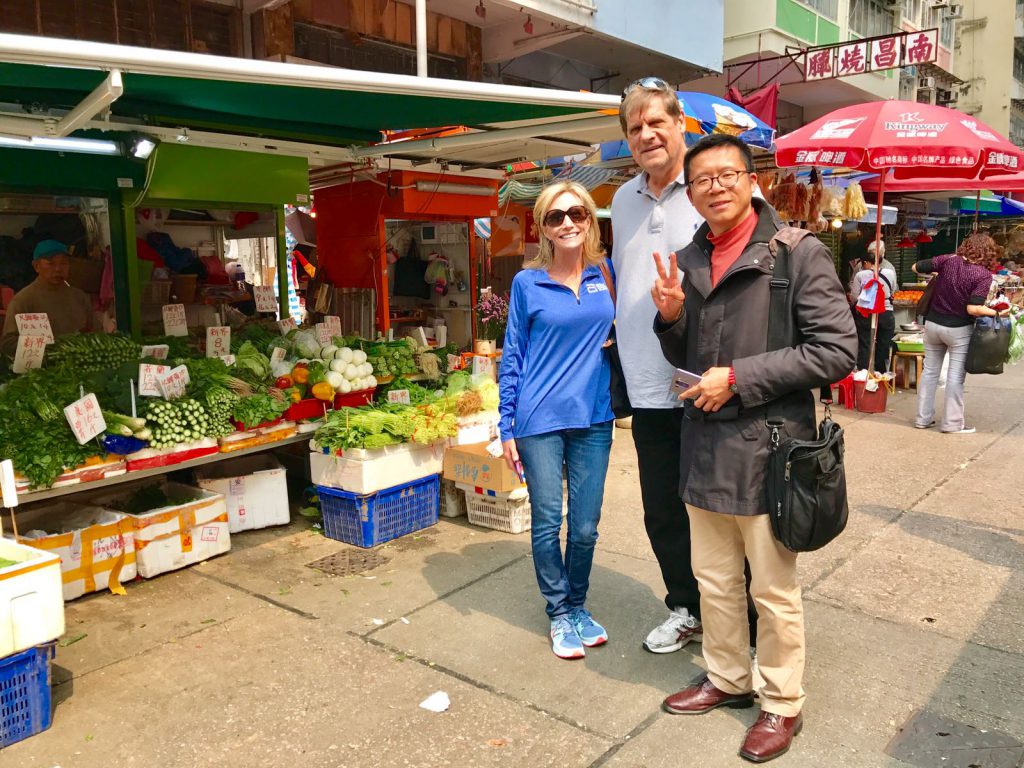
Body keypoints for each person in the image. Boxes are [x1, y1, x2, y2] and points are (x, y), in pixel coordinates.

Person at [651, 133, 855, 763]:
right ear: (690, 192)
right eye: (702, 179)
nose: (715, 186)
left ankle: (781, 702)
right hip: (703, 446)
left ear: (750, 180)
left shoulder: (795, 254)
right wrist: (671, 319)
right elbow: (687, 358)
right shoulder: (687, 258)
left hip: (770, 450)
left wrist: (738, 378)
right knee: (713, 581)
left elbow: (836, 351)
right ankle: (728, 677)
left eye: (726, 174)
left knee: (770, 588)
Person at [611, 76, 759, 654]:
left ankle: (744, 621)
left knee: (724, 512)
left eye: (657, 123)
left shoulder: (711, 190)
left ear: (680, 126)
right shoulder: (622, 199)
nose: (646, 135)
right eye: (635, 128)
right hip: (647, 383)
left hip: (707, 383)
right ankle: (687, 606)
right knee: (663, 512)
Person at [498, 181, 615, 660]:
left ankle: (580, 605)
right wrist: (505, 425)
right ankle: (559, 612)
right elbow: (513, 355)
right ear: (543, 227)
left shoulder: (606, 274)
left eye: (576, 213)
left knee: (585, 526)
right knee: (548, 520)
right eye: (555, 216)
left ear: (589, 219)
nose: (567, 222)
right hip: (538, 417)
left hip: (595, 414)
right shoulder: (528, 283)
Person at [912, 233, 1003, 434]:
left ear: (966, 246)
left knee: (929, 372)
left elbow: (915, 267)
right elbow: (974, 309)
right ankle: (952, 424)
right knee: (955, 377)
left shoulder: (948, 260)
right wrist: (996, 312)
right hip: (958, 330)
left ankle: (922, 419)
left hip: (933, 325)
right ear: (988, 253)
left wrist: (937, 274)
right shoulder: (982, 275)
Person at [1, 239, 92, 357]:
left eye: (64, 263)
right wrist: (48, 346)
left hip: (80, 364)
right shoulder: (23, 300)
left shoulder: (80, 297)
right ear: (36, 266)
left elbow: (93, 330)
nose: (58, 269)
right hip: (44, 370)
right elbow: (7, 344)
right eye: (51, 263)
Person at [850, 241, 897, 372]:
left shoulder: (860, 274)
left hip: (865, 314)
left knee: (864, 344)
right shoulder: (890, 272)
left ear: (865, 263)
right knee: (883, 344)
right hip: (886, 313)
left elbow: (854, 297)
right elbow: (893, 291)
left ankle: (863, 373)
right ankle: (880, 374)